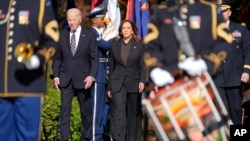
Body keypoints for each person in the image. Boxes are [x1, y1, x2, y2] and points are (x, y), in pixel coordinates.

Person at [143, 0, 233, 140]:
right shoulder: (162, 11)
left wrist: (206, 62)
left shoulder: (209, 9)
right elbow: (151, 44)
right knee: (172, 135)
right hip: (170, 89)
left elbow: (225, 40)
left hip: (202, 87)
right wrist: (155, 69)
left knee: (209, 135)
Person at [0, 0, 59, 140]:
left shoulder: (41, 3)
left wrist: (38, 59)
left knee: (28, 137)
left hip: (29, 86)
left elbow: (53, 39)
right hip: (1, 86)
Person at [52, 8, 99, 141]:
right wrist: (56, 76)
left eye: (73, 19)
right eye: (69, 19)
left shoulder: (89, 35)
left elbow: (94, 58)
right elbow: (57, 58)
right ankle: (64, 138)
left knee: (86, 113)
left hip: (83, 80)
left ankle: (86, 138)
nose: (71, 22)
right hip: (65, 79)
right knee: (65, 112)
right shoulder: (62, 35)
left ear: (79, 19)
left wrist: (91, 75)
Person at [212, 0, 250, 125]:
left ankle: (238, 135)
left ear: (229, 12)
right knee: (218, 112)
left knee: (235, 111)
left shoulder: (240, 30)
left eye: (223, 11)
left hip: (235, 77)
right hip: (216, 78)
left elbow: (248, 50)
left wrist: (247, 70)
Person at [107, 20, 146, 141]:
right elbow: (112, 67)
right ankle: (118, 138)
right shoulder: (115, 45)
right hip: (118, 83)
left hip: (134, 82)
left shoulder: (139, 45)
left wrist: (142, 81)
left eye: (128, 28)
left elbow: (142, 65)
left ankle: (133, 138)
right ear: (121, 30)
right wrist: (109, 87)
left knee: (133, 113)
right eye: (123, 28)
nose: (125, 30)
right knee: (119, 112)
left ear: (132, 30)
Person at [87, 9, 114, 141]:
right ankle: (94, 137)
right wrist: (114, 37)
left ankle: (98, 135)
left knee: (103, 109)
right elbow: (106, 46)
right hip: (97, 75)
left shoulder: (100, 33)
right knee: (96, 110)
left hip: (103, 74)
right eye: (102, 18)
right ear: (95, 20)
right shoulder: (92, 34)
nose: (104, 20)